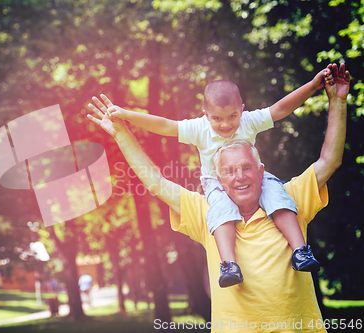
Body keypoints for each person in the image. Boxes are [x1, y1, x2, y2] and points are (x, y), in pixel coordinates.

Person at [87, 63, 349, 331]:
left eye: (247, 168)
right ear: (219, 179)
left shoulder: (288, 199)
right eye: (229, 171)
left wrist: (337, 101)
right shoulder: (207, 212)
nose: (239, 177)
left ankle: (300, 251)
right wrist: (121, 129)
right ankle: (229, 265)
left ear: (261, 171)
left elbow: (329, 160)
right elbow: (155, 180)